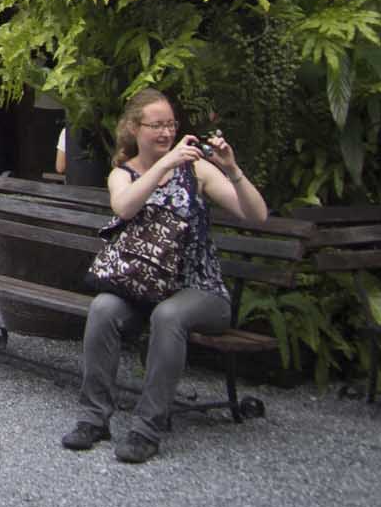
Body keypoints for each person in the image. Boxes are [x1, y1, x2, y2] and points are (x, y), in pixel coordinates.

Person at [62, 88, 268, 464]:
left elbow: (257, 217)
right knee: (104, 308)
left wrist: (233, 169)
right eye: (156, 125)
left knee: (168, 315)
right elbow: (124, 207)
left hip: (201, 291)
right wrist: (163, 164)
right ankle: (93, 418)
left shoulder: (198, 170)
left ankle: (147, 429)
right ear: (134, 128)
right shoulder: (121, 174)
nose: (166, 132)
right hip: (145, 288)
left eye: (171, 124)